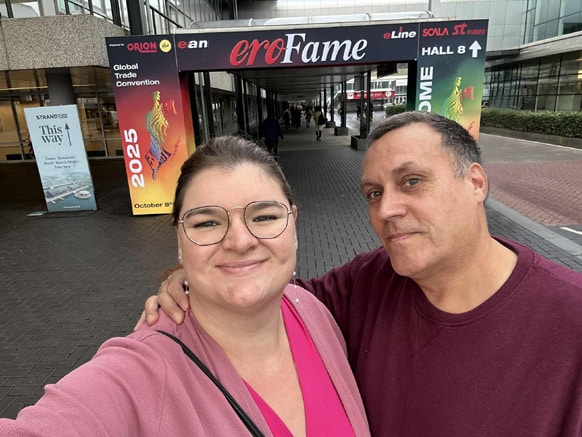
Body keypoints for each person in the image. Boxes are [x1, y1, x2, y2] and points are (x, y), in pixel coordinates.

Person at [141, 111, 582, 436]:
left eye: (412, 181)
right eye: (373, 192)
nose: (386, 209)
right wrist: (192, 276)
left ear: (476, 183)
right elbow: (265, 294)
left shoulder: (569, 317)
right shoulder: (370, 283)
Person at [0, 136, 369, 437]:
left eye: (265, 216)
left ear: (293, 224)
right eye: (206, 223)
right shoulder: (143, 371)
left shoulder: (311, 310)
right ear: (180, 239)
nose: (240, 241)